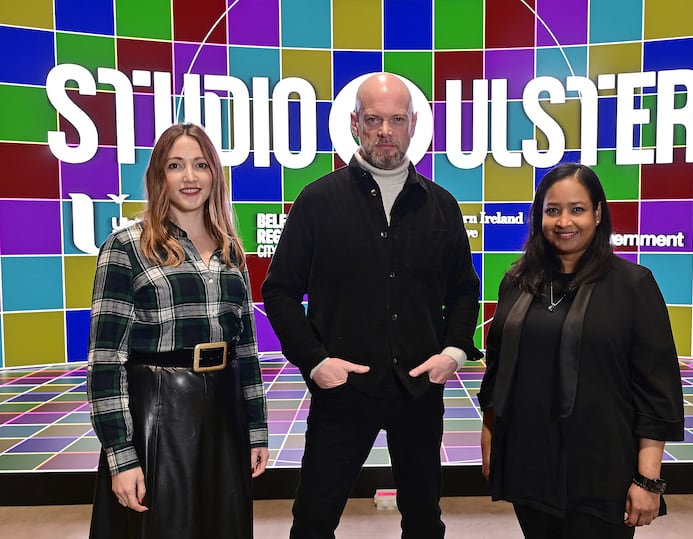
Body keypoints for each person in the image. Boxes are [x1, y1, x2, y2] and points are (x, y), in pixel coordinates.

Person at [261, 72, 481, 538]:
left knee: (424, 521)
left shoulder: (442, 206)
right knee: (313, 521)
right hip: (342, 393)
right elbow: (279, 291)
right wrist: (315, 361)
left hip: (419, 391)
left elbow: (465, 291)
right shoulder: (317, 201)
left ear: (414, 124)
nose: (385, 131)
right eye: (374, 120)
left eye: (397, 120)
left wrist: (454, 353)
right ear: (354, 123)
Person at [478, 163, 684, 538]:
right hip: (529, 465)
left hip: (602, 473)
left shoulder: (632, 285)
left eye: (577, 209)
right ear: (539, 216)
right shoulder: (517, 282)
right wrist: (490, 438)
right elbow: (498, 371)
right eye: (552, 210)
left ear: (598, 213)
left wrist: (648, 479)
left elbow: (658, 388)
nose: (564, 222)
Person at [86, 123, 269, 539]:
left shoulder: (231, 249)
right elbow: (105, 360)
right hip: (157, 418)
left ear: (215, 174)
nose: (190, 177)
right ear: (158, 176)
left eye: (201, 165)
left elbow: (246, 351)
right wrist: (121, 455)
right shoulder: (126, 246)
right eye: (175, 165)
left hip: (224, 417)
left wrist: (256, 429)